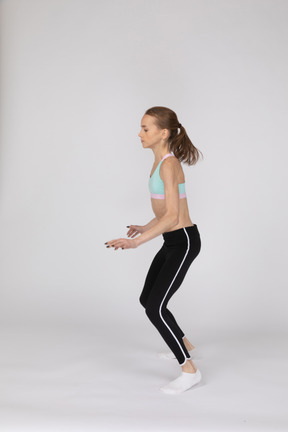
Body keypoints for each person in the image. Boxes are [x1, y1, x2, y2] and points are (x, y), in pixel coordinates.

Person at [104, 106, 203, 394]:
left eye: (145, 129)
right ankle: (184, 344)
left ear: (164, 133)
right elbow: (165, 212)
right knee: (147, 299)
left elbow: (173, 217)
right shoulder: (159, 162)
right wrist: (143, 226)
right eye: (141, 128)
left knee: (155, 308)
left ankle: (189, 369)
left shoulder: (170, 164)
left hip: (183, 241)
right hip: (172, 240)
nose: (139, 133)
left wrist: (138, 241)